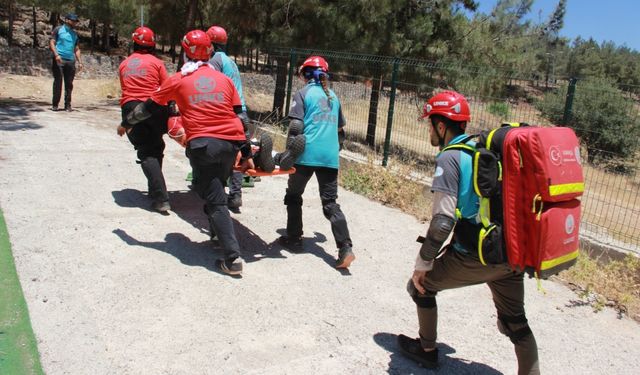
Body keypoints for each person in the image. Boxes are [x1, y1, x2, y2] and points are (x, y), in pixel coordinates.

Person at [397, 91, 540, 374]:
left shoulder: (450, 158)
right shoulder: (483, 151)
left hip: (476, 255)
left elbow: (442, 222)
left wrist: (422, 264)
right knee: (517, 323)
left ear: (441, 126)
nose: (429, 130)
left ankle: (426, 350)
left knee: (420, 287)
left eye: (430, 124)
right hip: (511, 255)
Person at [123, 30, 272, 277]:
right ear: (210, 52)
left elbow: (147, 108)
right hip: (230, 145)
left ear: (185, 52)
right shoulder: (223, 80)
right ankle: (216, 234)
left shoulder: (179, 79)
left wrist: (127, 122)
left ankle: (232, 258)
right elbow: (239, 118)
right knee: (215, 190)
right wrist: (245, 150)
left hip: (204, 146)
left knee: (213, 199)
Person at [275, 56, 355, 269]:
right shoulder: (334, 97)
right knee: (330, 203)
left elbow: (295, 128)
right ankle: (345, 247)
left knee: (293, 195)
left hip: (305, 155)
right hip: (330, 158)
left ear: (307, 74)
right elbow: (340, 133)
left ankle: (293, 238)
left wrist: (288, 154)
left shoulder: (303, 94)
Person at [117, 26, 171, 213]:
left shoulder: (124, 64)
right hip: (155, 107)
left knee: (147, 151)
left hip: (132, 108)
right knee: (156, 146)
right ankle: (154, 189)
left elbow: (126, 89)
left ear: (134, 43)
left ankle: (160, 197)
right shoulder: (157, 63)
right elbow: (166, 87)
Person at [206, 25, 249, 213]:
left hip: (225, 111)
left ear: (211, 43)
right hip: (241, 111)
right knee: (237, 154)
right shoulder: (231, 61)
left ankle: (218, 194)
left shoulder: (214, 60)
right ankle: (236, 195)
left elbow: (212, 84)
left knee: (219, 154)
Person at [49, 13, 82, 112]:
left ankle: (68, 105)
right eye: (73, 20)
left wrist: (80, 62)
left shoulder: (74, 34)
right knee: (58, 82)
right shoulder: (58, 30)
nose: (74, 23)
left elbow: (76, 49)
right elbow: (52, 42)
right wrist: (56, 55)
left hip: (70, 61)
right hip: (59, 59)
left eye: (75, 21)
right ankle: (55, 105)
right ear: (67, 20)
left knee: (69, 84)